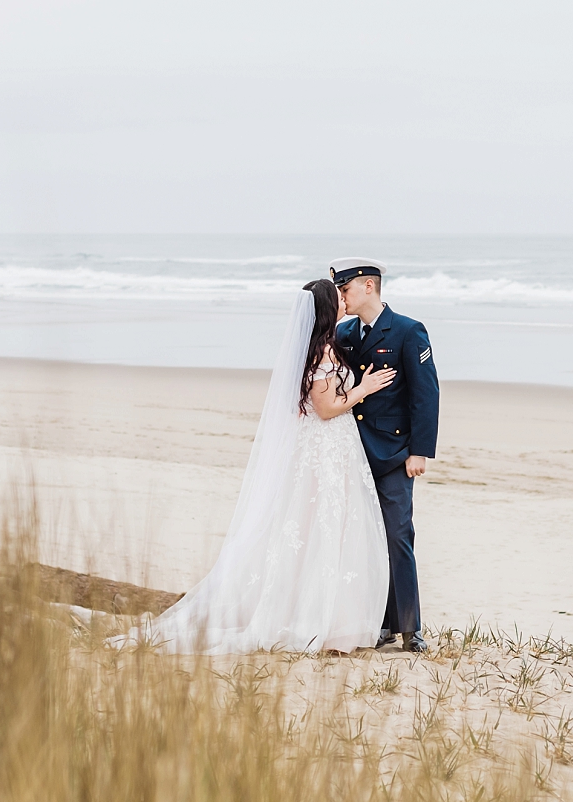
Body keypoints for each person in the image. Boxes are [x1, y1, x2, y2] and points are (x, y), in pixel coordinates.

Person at [126, 279, 393, 653]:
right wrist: (364, 388)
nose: (344, 301)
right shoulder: (318, 354)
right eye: (338, 298)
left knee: (332, 528)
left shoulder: (330, 345)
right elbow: (326, 408)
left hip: (335, 449)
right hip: (322, 449)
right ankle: (310, 621)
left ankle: (332, 621)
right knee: (318, 528)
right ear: (325, 310)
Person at [330, 260, 439, 653]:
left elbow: (426, 394)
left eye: (346, 290)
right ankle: (379, 624)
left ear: (369, 287)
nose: (342, 296)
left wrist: (420, 452)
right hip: (352, 451)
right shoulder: (343, 332)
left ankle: (410, 628)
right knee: (365, 540)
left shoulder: (409, 331)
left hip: (394, 453)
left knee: (398, 536)